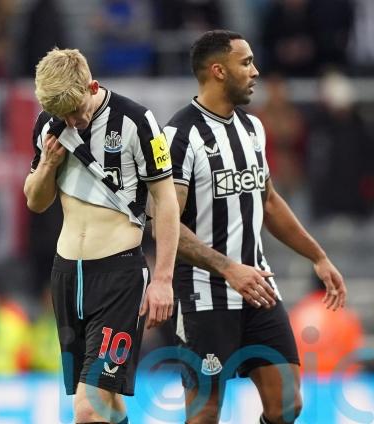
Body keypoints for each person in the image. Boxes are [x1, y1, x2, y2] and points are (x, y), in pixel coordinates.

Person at [164, 30, 347, 424]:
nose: (255, 71)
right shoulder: (180, 135)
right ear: (218, 71)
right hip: (205, 291)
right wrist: (228, 268)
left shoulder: (252, 128)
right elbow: (165, 226)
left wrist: (318, 256)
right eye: (245, 62)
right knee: (205, 413)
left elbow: (269, 201)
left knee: (287, 405)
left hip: (258, 286)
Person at [24, 48, 180, 423]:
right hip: (67, 276)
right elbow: (36, 201)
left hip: (118, 279)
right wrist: (47, 165)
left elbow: (166, 201)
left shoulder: (137, 121)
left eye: (76, 111)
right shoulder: (49, 124)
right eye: (63, 115)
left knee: (88, 407)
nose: (72, 122)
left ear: (91, 86)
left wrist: (163, 279)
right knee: (106, 402)